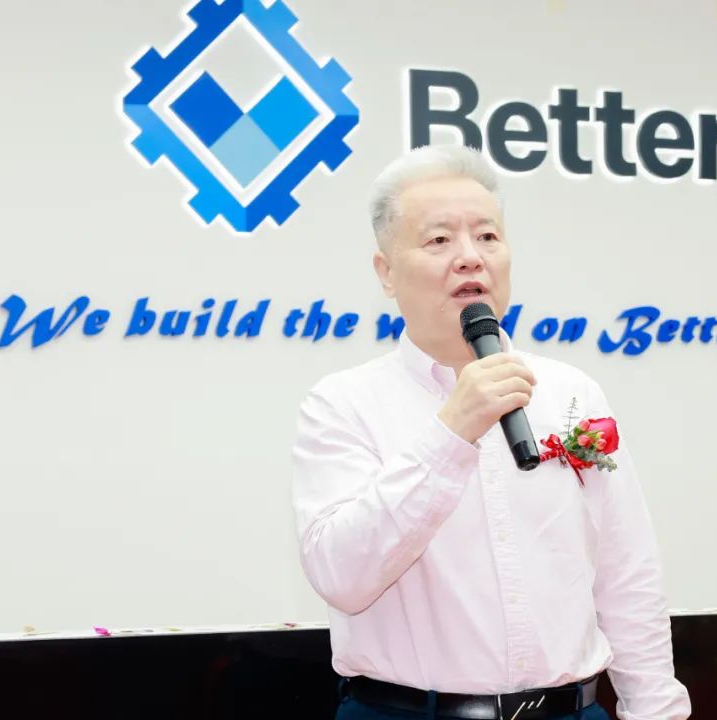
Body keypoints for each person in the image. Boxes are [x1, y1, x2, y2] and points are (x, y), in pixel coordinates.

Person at [290, 145, 691, 720]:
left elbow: (626, 572)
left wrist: (655, 709)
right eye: (439, 240)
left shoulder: (571, 392)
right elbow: (341, 575)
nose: (470, 257)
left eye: (487, 237)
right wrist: (452, 431)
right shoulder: (341, 404)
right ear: (386, 272)